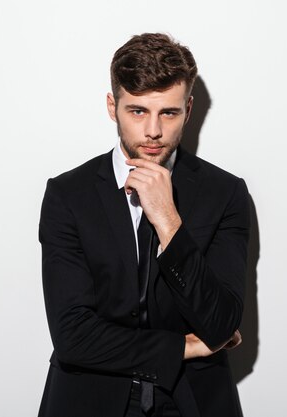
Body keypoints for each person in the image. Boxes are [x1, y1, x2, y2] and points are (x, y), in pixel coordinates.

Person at [38, 33, 250, 417]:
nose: (153, 131)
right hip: (88, 400)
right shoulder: (68, 194)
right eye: (137, 111)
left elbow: (220, 323)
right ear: (112, 106)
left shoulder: (226, 194)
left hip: (193, 402)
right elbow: (73, 336)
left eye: (168, 113)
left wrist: (168, 220)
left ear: (189, 108)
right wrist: (184, 346)